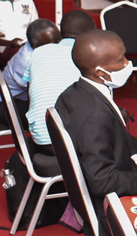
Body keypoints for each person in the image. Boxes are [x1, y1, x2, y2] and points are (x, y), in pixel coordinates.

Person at [55, 29, 137, 236]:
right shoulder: (95, 115)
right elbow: (102, 181)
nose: (128, 63)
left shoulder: (72, 93)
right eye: (121, 60)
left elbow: (117, 141)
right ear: (99, 71)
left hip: (109, 183)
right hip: (112, 210)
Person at [26, 9, 96, 149]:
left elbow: (29, 92)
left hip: (40, 139)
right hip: (69, 146)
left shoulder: (39, 52)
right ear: (88, 35)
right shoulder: (85, 57)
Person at [0, 18, 61, 128]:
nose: (58, 47)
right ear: (36, 46)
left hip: (21, 99)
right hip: (4, 104)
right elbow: (38, 93)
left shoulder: (35, 47)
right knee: (52, 120)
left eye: (58, 42)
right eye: (53, 44)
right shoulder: (27, 60)